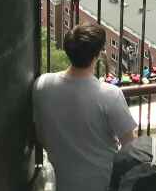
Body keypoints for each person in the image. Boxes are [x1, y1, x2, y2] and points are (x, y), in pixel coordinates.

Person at [33, 22, 137, 191]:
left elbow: (37, 131)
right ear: (97, 54)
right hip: (101, 184)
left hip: (57, 183)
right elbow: (131, 148)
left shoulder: (42, 84)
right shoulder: (110, 95)